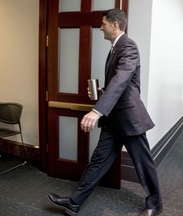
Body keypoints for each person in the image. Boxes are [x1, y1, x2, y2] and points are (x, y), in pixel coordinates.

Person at [48, 8, 163, 216]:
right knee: (98, 161)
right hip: (113, 119)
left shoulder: (129, 46)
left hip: (129, 118)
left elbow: (122, 79)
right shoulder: (114, 48)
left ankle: (155, 204)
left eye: (103, 24)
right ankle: (74, 202)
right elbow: (120, 84)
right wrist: (102, 91)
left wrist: (97, 110)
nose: (100, 28)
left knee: (143, 164)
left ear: (115, 24)